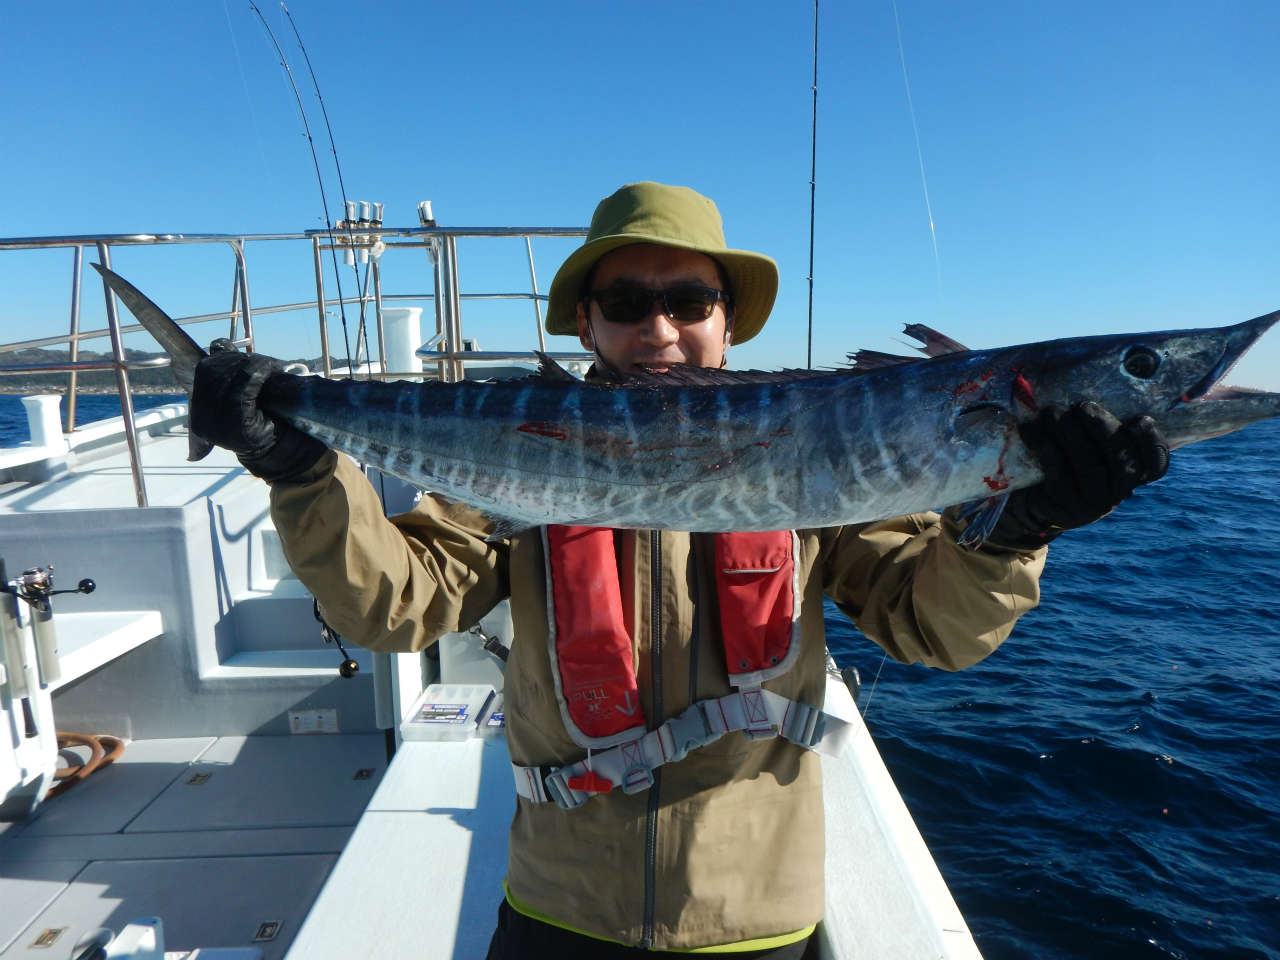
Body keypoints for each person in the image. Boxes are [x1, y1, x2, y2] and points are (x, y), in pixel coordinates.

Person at [189, 182, 1168, 957]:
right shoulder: (525, 450)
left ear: (727, 321)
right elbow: (389, 609)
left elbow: (935, 630)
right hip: (556, 913)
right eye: (624, 302)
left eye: (688, 300)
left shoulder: (822, 449)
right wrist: (303, 470)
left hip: (756, 923)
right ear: (585, 321)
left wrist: (1008, 530)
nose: (657, 328)